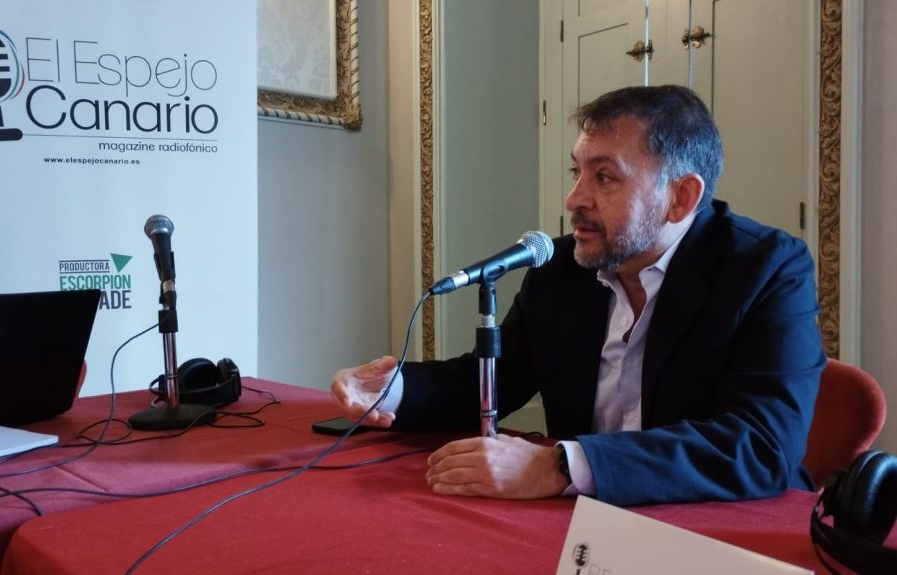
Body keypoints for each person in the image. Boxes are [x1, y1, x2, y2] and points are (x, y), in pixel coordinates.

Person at [330, 85, 826, 507]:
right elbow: (496, 380)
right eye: (577, 172)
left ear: (681, 198)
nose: (574, 199)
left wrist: (561, 466)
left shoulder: (766, 269)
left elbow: (759, 446)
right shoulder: (561, 269)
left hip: (719, 527)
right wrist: (392, 390)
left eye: (604, 177)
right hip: (580, 527)